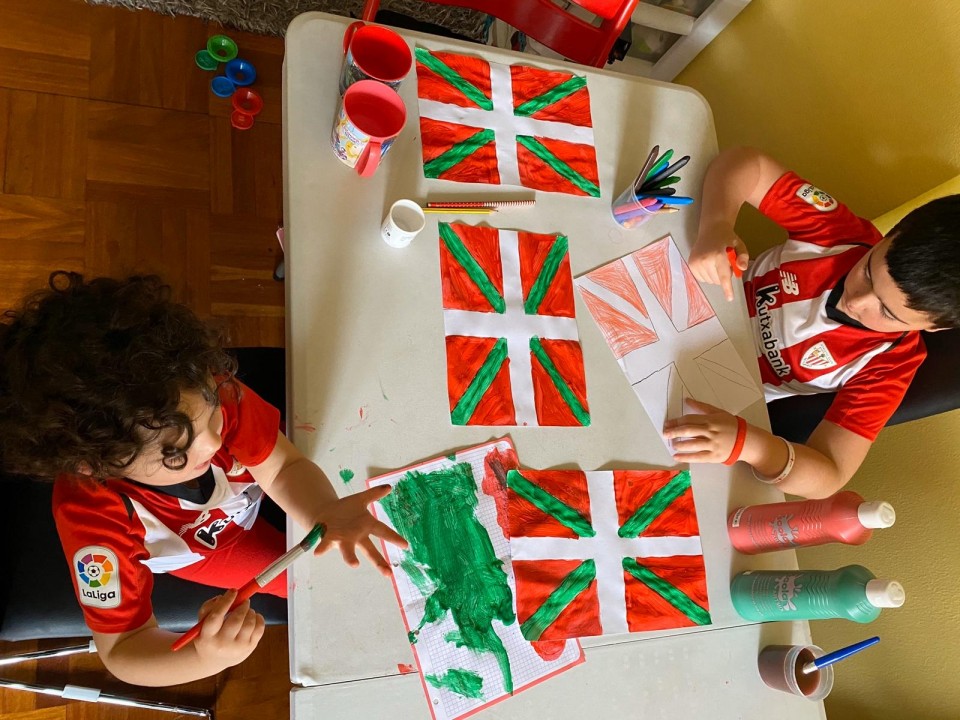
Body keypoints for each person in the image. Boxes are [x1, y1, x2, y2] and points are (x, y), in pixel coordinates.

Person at [0, 272, 407, 687]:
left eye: (212, 412)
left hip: (247, 495)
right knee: (322, 583)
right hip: (206, 547)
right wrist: (204, 658)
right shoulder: (93, 517)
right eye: (177, 452)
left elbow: (283, 468)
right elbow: (122, 650)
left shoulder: (198, 390)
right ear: (97, 464)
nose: (214, 441)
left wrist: (324, 508)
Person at [662, 146, 960, 499]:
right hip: (678, 302)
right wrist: (717, 224)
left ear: (934, 327)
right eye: (867, 272)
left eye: (887, 312)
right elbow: (746, 164)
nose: (856, 300)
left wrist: (749, 445)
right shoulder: (840, 234)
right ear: (892, 233)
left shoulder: (889, 366)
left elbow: (829, 473)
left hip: (693, 393)